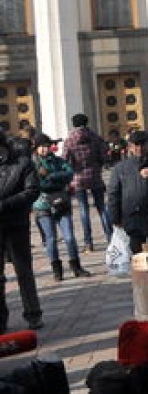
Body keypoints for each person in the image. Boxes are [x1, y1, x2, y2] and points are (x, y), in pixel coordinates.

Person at [0, 127, 42, 331]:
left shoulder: (22, 162)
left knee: (23, 271)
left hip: (15, 223)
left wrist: (6, 204)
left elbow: (32, 190)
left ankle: (33, 313)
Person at [32, 134, 89, 280]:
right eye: (41, 147)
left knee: (69, 237)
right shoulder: (32, 165)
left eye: (46, 146)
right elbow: (38, 185)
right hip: (43, 205)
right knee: (51, 239)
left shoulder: (57, 161)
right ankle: (57, 269)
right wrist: (56, 180)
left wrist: (50, 176)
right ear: (36, 149)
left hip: (61, 202)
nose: (45, 149)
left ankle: (76, 266)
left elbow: (69, 173)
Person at [106, 130, 148, 255]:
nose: (139, 148)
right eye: (135, 145)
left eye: (142, 144)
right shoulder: (121, 168)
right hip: (133, 218)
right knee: (137, 257)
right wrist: (115, 219)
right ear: (130, 147)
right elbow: (113, 193)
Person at [63, 113, 112, 252]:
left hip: (78, 178)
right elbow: (104, 156)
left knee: (83, 210)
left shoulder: (70, 140)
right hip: (95, 175)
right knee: (102, 207)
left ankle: (88, 242)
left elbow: (65, 159)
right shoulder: (95, 137)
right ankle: (110, 237)